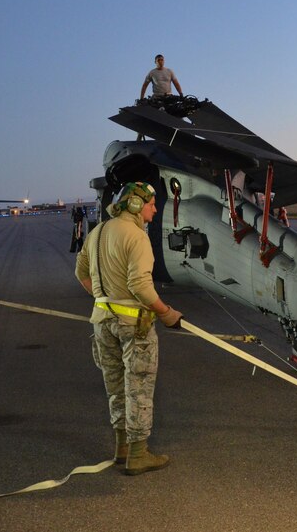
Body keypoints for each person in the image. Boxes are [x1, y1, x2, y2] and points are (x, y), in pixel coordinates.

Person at [75, 182, 183, 475]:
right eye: (151, 203)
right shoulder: (136, 236)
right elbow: (140, 286)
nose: (155, 209)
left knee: (114, 387)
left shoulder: (97, 232)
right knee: (138, 388)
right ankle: (138, 454)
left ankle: (121, 448)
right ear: (135, 204)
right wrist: (167, 313)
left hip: (102, 323)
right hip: (133, 326)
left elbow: (80, 271)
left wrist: (103, 299)